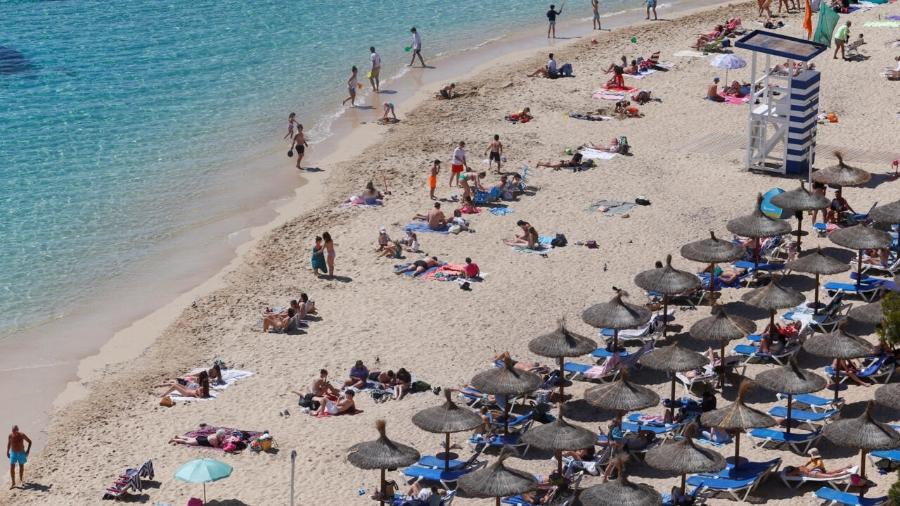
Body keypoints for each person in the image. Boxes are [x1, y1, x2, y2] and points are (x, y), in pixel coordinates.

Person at [786, 448, 855, 477]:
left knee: (830, 476)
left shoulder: (796, 471)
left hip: (813, 473)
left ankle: (845, 473)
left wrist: (788, 473)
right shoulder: (800, 467)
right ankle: (845, 468)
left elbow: (788, 475)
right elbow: (808, 462)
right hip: (816, 470)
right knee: (831, 472)